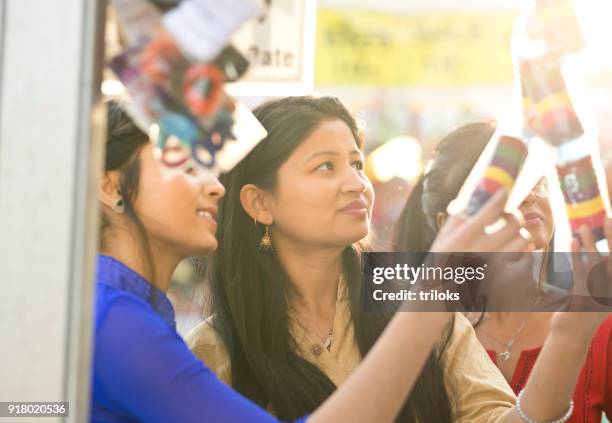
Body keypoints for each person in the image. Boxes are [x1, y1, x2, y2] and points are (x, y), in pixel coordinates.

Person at [91, 101, 532, 423]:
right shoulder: (128, 324)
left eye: (357, 164)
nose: (213, 186)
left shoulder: (132, 314)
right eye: (186, 166)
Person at [185, 97, 609, 422]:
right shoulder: (215, 350)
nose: (356, 183)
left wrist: (568, 337)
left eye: (356, 163)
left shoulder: (418, 300)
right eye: (325, 167)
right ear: (260, 202)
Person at [394, 120, 612, 422]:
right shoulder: (424, 332)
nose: (530, 195)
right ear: (449, 223)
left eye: (539, 181)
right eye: (506, 186)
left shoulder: (597, 322)